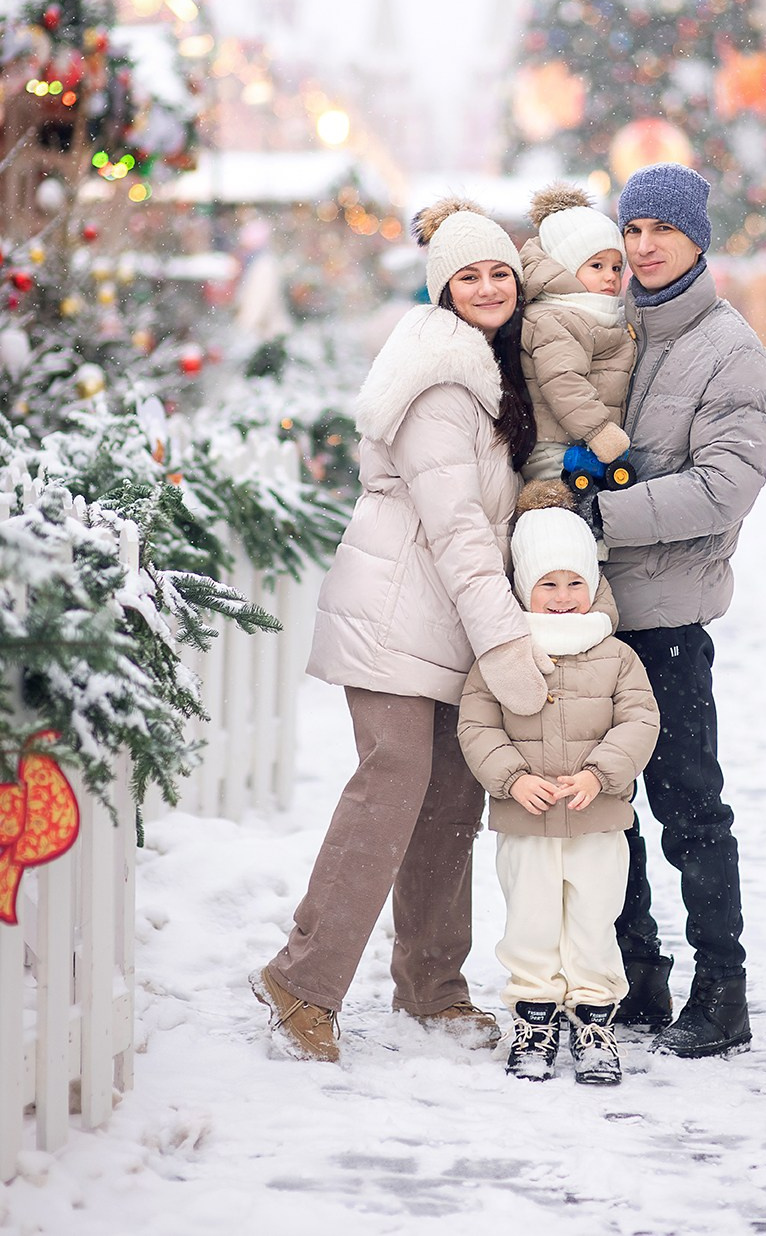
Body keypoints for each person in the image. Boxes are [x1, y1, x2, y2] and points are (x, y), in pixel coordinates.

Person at [251, 196, 552, 1062]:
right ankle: (302, 980)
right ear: (442, 289)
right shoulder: (440, 376)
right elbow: (458, 530)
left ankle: (432, 986)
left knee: (452, 802)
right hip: (398, 615)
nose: (489, 286)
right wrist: (505, 641)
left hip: (445, 619)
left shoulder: (494, 366)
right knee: (392, 787)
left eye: (500, 270)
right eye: (469, 274)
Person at [573, 163, 766, 1058]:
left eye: (662, 228)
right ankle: (636, 976)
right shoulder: (619, 332)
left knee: (688, 805)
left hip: (668, 620)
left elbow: (726, 487)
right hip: (594, 618)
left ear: (698, 236)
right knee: (606, 806)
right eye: (633, 228)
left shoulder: (730, 349)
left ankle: (722, 988)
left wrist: (602, 515)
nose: (644, 244)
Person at [458, 502, 660, 1085]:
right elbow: (477, 726)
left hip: (597, 818)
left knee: (595, 919)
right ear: (524, 588)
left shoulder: (617, 656)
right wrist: (513, 779)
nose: (564, 595)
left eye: (576, 581)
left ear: (594, 586)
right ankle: (534, 1018)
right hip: (527, 820)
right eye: (548, 583)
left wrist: (599, 775)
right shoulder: (501, 655)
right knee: (531, 920)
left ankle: (595, 1019)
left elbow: (639, 721)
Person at [518, 185, 637, 482]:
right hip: (552, 447)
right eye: (596, 265)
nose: (610, 275)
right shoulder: (553, 317)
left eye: (616, 267)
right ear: (565, 267)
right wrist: (599, 431)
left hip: (582, 441)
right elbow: (562, 379)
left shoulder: (595, 314)